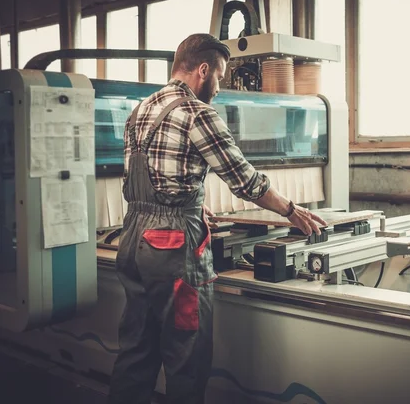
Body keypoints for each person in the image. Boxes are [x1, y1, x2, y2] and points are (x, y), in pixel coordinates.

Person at [108, 33, 327, 404]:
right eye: (221, 77)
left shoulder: (139, 109)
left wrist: (186, 202)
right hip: (172, 247)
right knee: (185, 353)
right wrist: (291, 211)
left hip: (133, 240)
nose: (220, 87)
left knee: (136, 352)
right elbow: (245, 181)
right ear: (203, 70)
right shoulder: (197, 112)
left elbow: (140, 179)